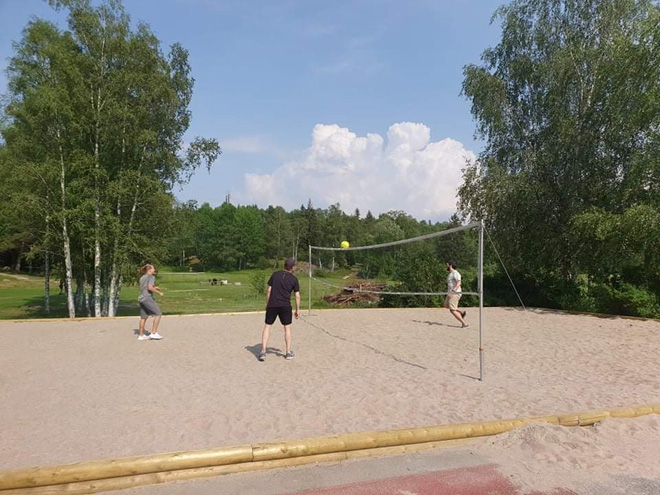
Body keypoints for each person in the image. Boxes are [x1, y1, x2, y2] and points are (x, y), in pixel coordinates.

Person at [259, 258, 300, 361]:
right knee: (287, 328)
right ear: (293, 267)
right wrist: (297, 309)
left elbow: (269, 290)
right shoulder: (294, 279)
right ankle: (288, 352)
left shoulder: (275, 275)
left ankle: (263, 351)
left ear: (284, 265)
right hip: (285, 306)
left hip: (272, 304)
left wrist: (267, 303)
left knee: (267, 327)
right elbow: (297, 296)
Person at [137, 264, 164, 341]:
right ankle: (154, 333)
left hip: (141, 298)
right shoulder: (151, 277)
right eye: (153, 268)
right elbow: (149, 288)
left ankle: (141, 335)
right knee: (158, 313)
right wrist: (159, 292)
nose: (154, 270)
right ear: (149, 270)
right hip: (147, 298)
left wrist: (155, 287)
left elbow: (145, 287)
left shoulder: (142, 277)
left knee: (143, 317)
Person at [444, 260, 468, 328]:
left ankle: (464, 323)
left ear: (450, 265)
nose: (446, 266)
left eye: (447, 264)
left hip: (455, 293)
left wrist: (454, 291)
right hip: (450, 293)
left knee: (452, 310)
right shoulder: (450, 274)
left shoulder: (455, 273)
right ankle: (461, 313)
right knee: (446, 305)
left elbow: (459, 282)